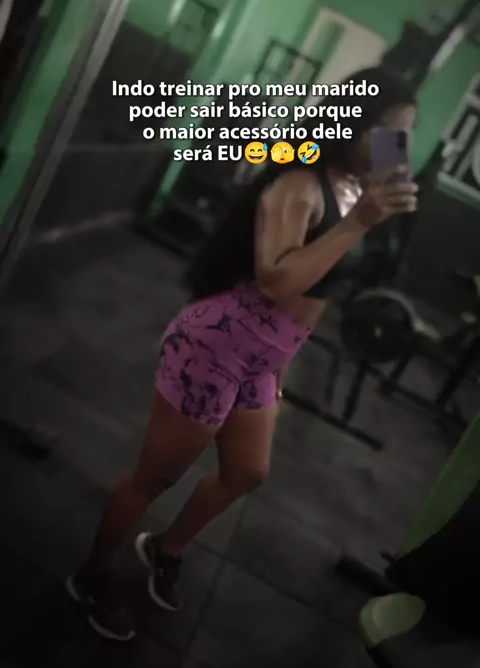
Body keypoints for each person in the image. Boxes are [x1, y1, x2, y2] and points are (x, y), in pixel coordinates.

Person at [67, 67, 418, 641]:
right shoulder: (298, 183)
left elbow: (317, 295)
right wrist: (361, 222)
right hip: (218, 344)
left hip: (262, 358)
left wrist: (280, 365)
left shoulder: (355, 191)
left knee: (247, 472)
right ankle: (91, 576)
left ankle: (163, 548)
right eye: (389, 131)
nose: (396, 147)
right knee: (156, 477)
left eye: (404, 135)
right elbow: (277, 284)